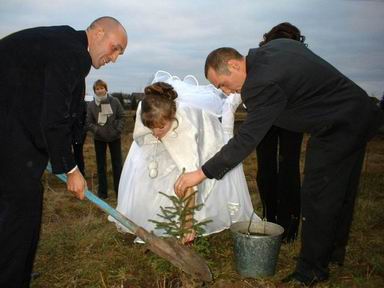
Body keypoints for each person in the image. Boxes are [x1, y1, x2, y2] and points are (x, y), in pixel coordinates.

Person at [175, 42, 384, 285]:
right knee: (341, 191)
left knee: (318, 196)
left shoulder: (260, 83)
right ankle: (333, 253)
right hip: (357, 113)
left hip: (337, 127)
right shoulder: (274, 49)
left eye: (222, 83)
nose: (226, 91)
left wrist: (201, 173)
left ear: (233, 64)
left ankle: (311, 270)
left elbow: (246, 139)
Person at [0, 17, 127, 287]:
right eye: (115, 48)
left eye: (119, 53)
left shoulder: (60, 42)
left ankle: (15, 270)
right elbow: (54, 116)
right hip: (9, 139)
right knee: (21, 213)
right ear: (98, 32)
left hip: (11, 129)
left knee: (19, 210)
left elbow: (58, 109)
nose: (114, 58)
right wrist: (70, 169)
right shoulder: (72, 53)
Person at [109, 73, 256, 243]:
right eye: (152, 127)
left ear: (172, 117)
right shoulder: (146, 109)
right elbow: (143, 135)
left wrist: (187, 223)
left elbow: (189, 179)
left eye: (161, 127)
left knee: (184, 176)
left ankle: (184, 220)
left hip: (198, 136)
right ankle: (152, 218)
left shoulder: (184, 128)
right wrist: (153, 141)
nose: (156, 132)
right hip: (154, 135)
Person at [255, 23, 305, 243]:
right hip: (293, 112)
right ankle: (288, 227)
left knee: (266, 165)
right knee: (288, 166)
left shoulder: (264, 55)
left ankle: (270, 216)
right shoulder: (300, 55)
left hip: (267, 112)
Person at [86, 79, 124, 199]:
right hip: (99, 138)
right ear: (95, 91)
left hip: (115, 137)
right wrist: (98, 131)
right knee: (101, 165)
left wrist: (116, 130)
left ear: (106, 89)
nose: (100, 90)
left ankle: (120, 191)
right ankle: (103, 193)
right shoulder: (91, 105)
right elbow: (88, 122)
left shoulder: (115, 101)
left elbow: (121, 117)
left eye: (102, 88)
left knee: (117, 164)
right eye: (97, 88)